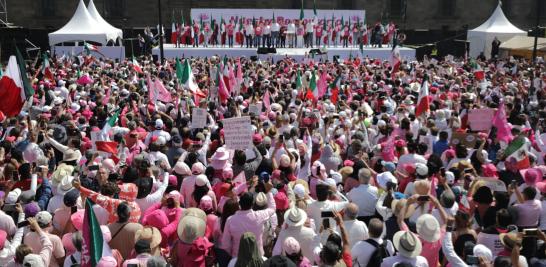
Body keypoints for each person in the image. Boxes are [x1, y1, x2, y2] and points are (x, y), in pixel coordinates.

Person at [221, 182, 276, 257]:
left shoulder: (230, 220)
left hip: (238, 258)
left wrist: (234, 256)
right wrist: (268, 191)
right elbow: (272, 208)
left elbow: (225, 244)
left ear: (239, 204)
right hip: (257, 257)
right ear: (252, 204)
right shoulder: (260, 216)